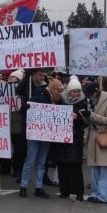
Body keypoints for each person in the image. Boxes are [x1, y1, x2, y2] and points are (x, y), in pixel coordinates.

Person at [84, 77, 107, 203]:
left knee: (105, 168)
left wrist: (91, 115)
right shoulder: (91, 102)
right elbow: (90, 121)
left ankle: (104, 196)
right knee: (95, 168)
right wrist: (85, 116)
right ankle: (95, 193)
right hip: (93, 136)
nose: (89, 97)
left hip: (105, 136)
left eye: (90, 94)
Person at [19, 69, 52, 198]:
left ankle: (39, 186)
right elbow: (19, 93)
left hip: (46, 130)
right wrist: (25, 109)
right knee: (30, 159)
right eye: (40, 75)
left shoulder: (47, 88)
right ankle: (23, 186)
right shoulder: (27, 87)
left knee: (42, 161)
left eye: (44, 75)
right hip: (33, 129)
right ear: (33, 75)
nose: (42, 77)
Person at [56, 76, 87, 200]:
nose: (76, 93)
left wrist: (78, 118)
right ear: (69, 91)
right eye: (74, 91)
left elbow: (87, 120)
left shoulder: (83, 102)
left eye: (78, 91)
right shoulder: (61, 100)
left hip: (75, 138)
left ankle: (79, 192)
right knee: (62, 165)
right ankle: (64, 191)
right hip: (62, 137)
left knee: (75, 166)